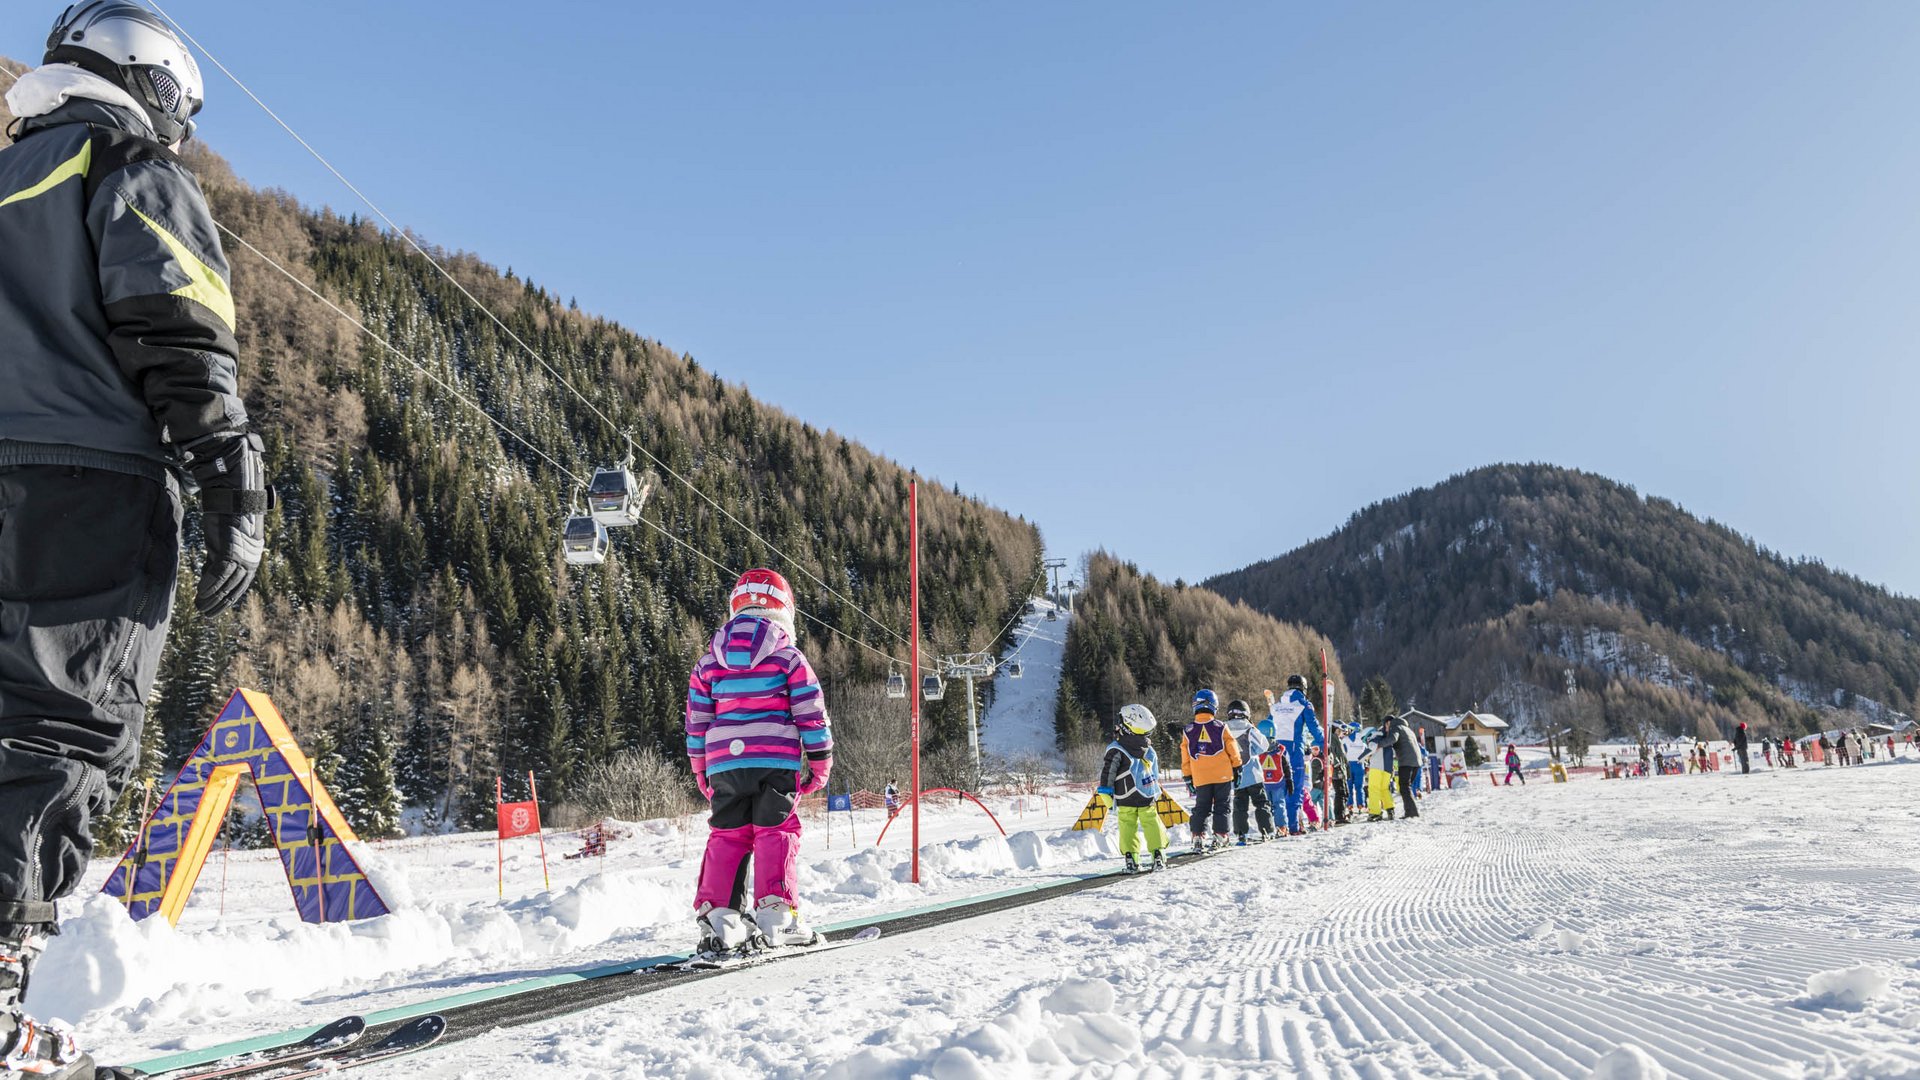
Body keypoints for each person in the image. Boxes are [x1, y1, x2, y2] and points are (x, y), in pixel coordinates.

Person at [2, 7, 272, 1077]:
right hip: (85, 483)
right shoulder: (124, 167)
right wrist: (229, 480)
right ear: (149, 80)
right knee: (59, 728)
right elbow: (177, 326)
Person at [686, 569, 833, 955]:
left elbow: (697, 720)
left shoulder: (708, 663)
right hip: (774, 759)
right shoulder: (789, 657)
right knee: (776, 831)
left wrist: (701, 767)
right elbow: (810, 712)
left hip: (723, 765)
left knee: (728, 835)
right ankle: (776, 917)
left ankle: (721, 920)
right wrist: (819, 761)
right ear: (786, 611)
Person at [1096, 704, 1170, 873]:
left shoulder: (1116, 749)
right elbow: (1155, 772)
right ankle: (1158, 854)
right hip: (1147, 793)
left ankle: (1131, 858)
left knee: (1127, 825)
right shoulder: (1149, 749)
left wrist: (1106, 792)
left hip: (1125, 795)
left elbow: (1109, 772)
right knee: (1151, 822)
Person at [1180, 689, 1241, 851]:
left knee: (1202, 807)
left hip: (1201, 778)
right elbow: (1232, 747)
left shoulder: (1188, 731)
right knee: (1222, 805)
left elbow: (1185, 757)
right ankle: (1221, 834)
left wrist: (1187, 777)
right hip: (1223, 775)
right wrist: (1237, 767)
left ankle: (1197, 836)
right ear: (1214, 706)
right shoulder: (1221, 727)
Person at [1267, 676, 1324, 835]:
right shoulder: (1304, 704)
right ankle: (1293, 827)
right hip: (1293, 750)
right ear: (1303, 689)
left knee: (1280, 787)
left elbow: (1268, 727)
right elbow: (1314, 728)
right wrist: (1324, 742)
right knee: (1296, 788)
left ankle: (1282, 826)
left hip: (1276, 751)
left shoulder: (1276, 706)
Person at [1223, 699, 1275, 844]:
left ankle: (1241, 833)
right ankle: (1267, 830)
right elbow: (1263, 745)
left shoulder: (1224, 728)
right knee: (1261, 803)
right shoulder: (1249, 728)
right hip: (1253, 774)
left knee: (1240, 805)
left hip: (1236, 776)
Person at [1385, 715, 1422, 818]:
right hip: (1417, 762)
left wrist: (1379, 744)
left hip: (1406, 762)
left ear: (1389, 723)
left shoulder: (1395, 728)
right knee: (1406, 787)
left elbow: (1393, 738)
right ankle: (1410, 812)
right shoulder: (1407, 729)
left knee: (1404, 787)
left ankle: (1412, 813)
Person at [1343, 723, 1368, 812]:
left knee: (1349, 787)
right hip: (1359, 764)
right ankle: (1361, 805)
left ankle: (1350, 806)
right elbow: (1367, 752)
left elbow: (1343, 751)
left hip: (1348, 764)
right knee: (1359, 787)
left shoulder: (1345, 739)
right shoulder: (1363, 740)